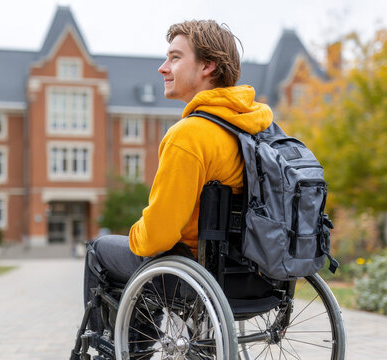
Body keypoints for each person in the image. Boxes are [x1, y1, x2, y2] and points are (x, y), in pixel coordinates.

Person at [83, 19, 273, 333]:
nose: (162, 68)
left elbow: (157, 236)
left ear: (208, 66)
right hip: (253, 275)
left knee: (99, 250)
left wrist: (136, 233)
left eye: (175, 57)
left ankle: (123, 349)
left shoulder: (189, 135)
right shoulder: (255, 130)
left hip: (194, 274)